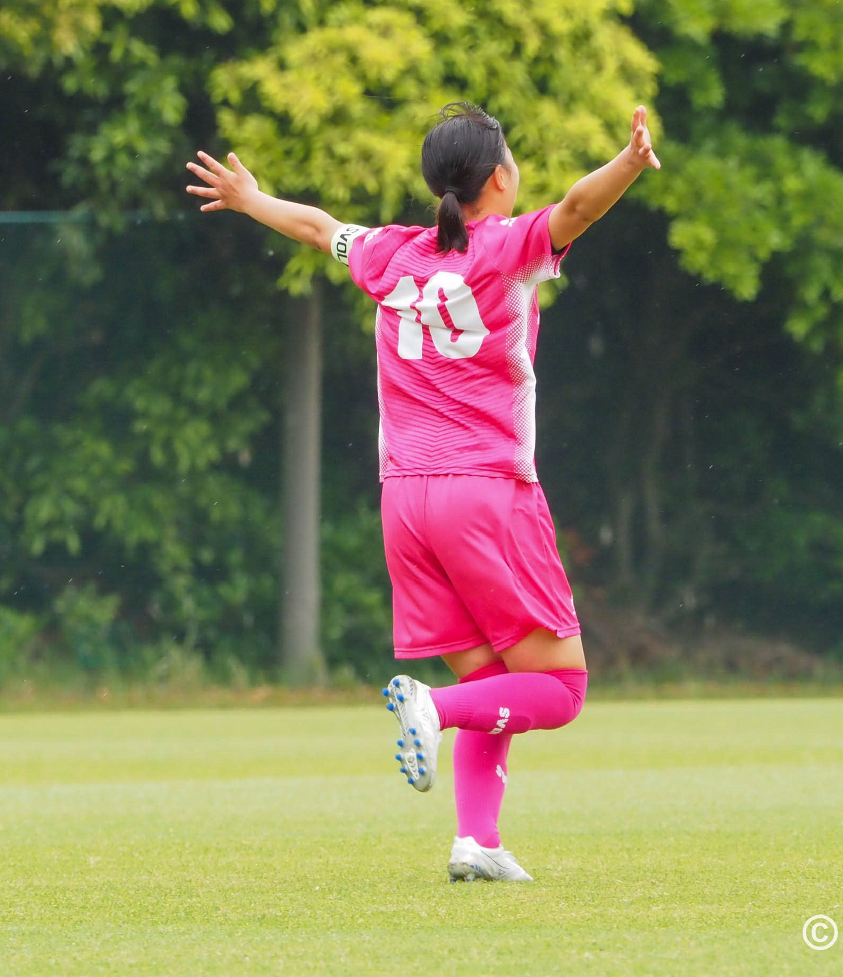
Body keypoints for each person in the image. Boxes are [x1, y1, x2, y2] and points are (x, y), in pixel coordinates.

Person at [186, 102, 660, 881]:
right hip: (486, 494)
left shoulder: (393, 254)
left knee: (492, 685)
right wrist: (631, 162)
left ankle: (476, 841)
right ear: (501, 177)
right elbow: (576, 208)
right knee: (562, 687)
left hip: (405, 503)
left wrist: (251, 201)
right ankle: (429, 709)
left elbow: (317, 228)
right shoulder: (507, 249)